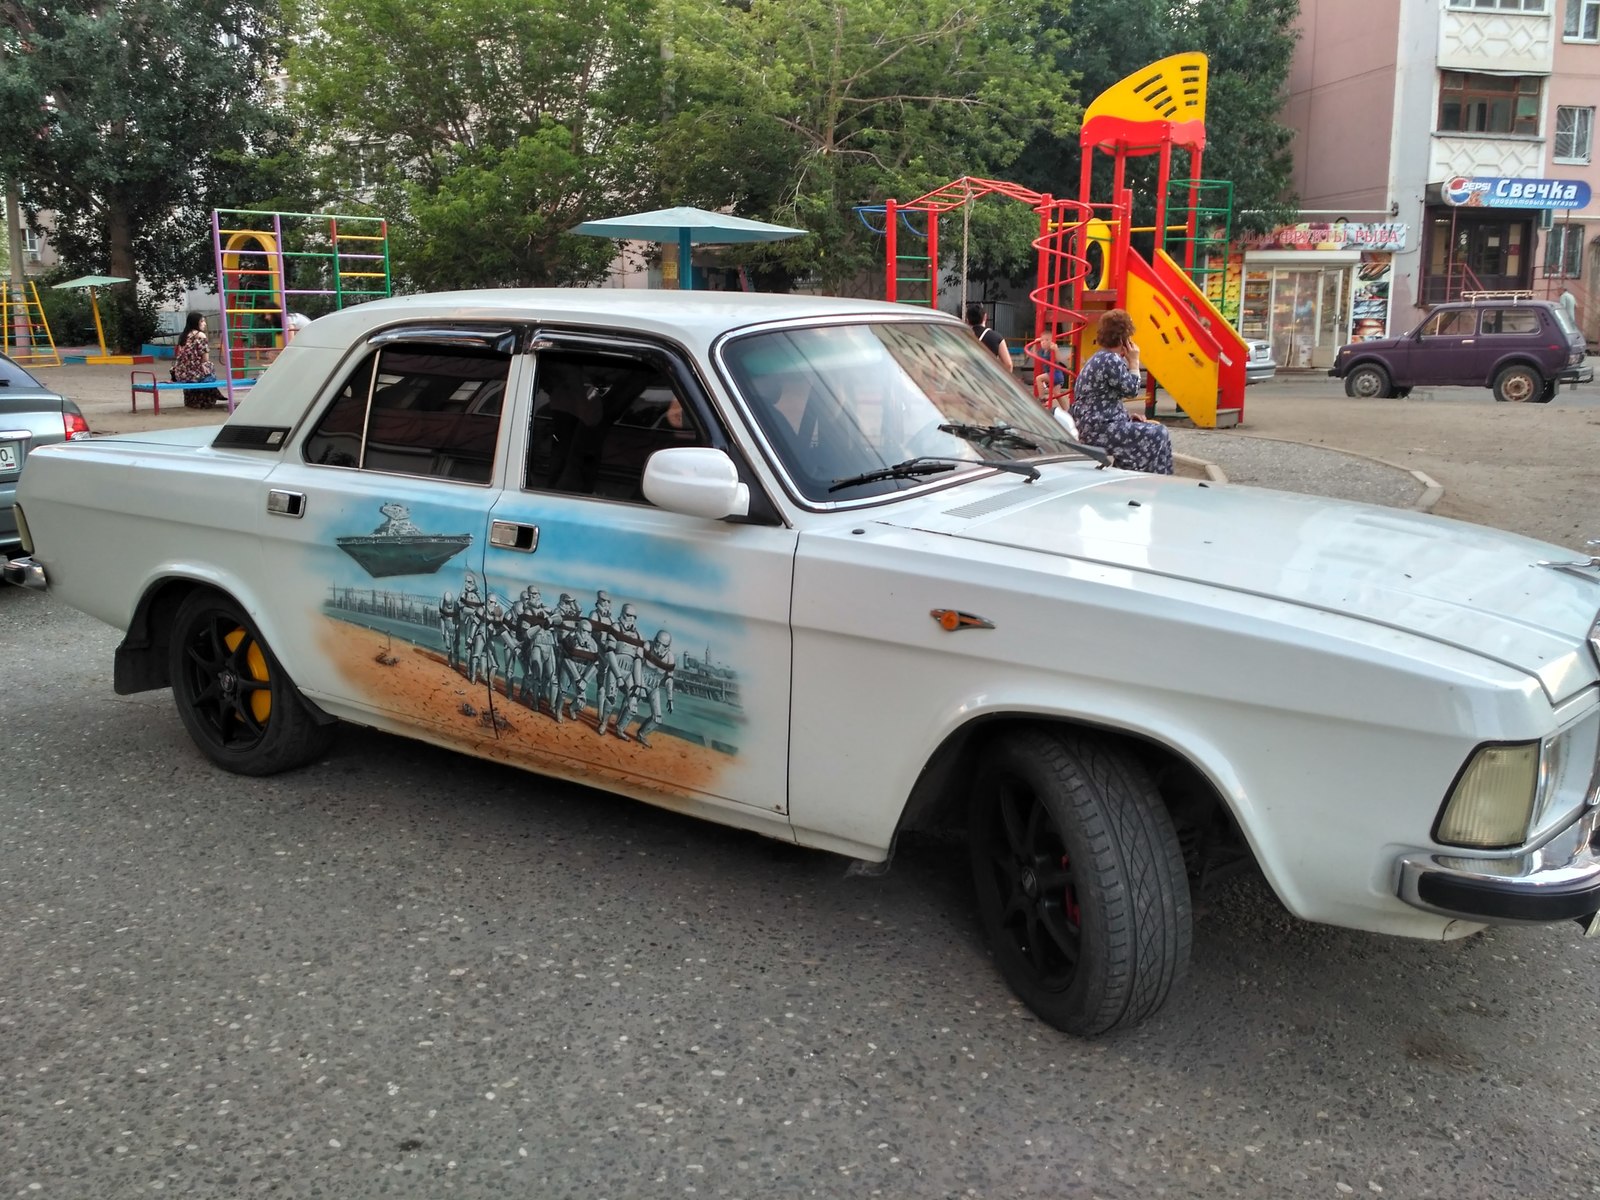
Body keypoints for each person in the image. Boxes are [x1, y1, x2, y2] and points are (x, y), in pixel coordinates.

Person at [1067, 309, 1173, 475]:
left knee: (1149, 429)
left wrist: (1127, 418)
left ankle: (1138, 475)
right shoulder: (1111, 359)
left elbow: (1104, 400)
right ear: (1125, 338)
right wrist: (1134, 362)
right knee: (1159, 433)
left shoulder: (1099, 357)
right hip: (1099, 430)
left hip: (1091, 426)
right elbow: (1132, 390)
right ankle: (1155, 480)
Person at [171, 312, 223, 409]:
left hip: (181, 373)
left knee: (204, 369)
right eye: (202, 321)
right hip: (194, 373)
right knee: (209, 366)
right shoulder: (200, 335)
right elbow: (205, 358)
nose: (205, 324)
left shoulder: (183, 335)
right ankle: (208, 398)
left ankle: (191, 400)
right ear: (196, 323)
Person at [964, 302, 1012, 372]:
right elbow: (1008, 364)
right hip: (988, 379)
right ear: (985, 317)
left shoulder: (963, 335)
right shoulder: (996, 337)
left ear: (967, 319)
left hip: (968, 378)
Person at [1024, 329, 1069, 400]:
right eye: (1042, 340)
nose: (1044, 342)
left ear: (1052, 342)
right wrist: (1035, 343)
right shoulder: (1042, 351)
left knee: (1039, 378)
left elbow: (1058, 360)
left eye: (1047, 340)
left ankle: (1042, 398)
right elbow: (1035, 355)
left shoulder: (1052, 350)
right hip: (1051, 374)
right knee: (1057, 394)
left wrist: (1056, 349)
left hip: (1055, 374)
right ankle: (1066, 409)